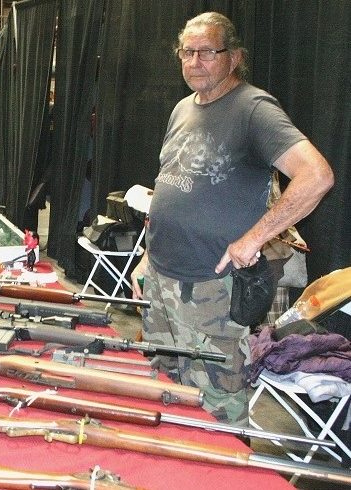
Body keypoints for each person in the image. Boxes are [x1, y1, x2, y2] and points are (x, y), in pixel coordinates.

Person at [130, 12, 334, 426]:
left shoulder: (253, 109)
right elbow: (170, 186)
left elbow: (317, 175)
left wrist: (254, 238)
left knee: (219, 411)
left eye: (207, 51)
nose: (194, 61)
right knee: (166, 395)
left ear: (235, 56)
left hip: (212, 290)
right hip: (162, 284)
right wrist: (146, 261)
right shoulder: (182, 109)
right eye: (187, 51)